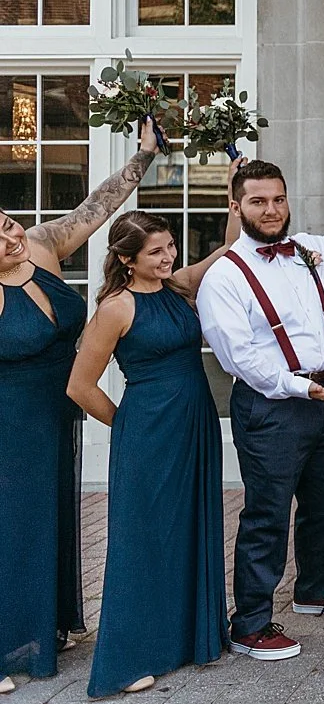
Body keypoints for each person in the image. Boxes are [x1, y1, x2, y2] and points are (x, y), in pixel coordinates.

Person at [196, 160, 324, 661]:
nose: (271, 210)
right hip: (272, 406)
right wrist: (304, 390)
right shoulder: (224, 275)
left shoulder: (311, 249)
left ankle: (314, 588)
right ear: (235, 206)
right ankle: (251, 623)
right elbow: (238, 357)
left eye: (278, 199)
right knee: (266, 513)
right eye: (258, 201)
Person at [67, 162, 242, 697]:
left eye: (169, 247)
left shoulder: (177, 286)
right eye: (155, 251)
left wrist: (234, 200)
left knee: (189, 525)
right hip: (147, 430)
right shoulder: (116, 309)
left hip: (195, 423)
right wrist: (127, 425)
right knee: (144, 539)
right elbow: (80, 385)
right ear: (125, 259)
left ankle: (188, 638)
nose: (168, 257)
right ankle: (129, 656)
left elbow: (224, 256)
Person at [0, 121, 162, 696]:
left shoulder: (42, 246)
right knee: (10, 524)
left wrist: (144, 156)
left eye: (8, 222)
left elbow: (97, 206)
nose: (11, 236)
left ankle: (43, 627)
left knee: (51, 515)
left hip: (55, 412)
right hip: (8, 420)